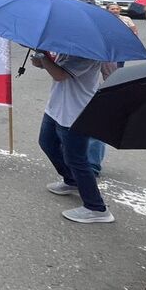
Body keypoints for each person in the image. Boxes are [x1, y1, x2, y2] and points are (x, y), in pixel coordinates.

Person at [33, 49, 114, 224]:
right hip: (56, 107)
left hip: (76, 112)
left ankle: (96, 208)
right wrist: (41, 61)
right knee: (47, 143)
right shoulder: (70, 47)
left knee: (76, 158)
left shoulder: (88, 53)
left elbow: (60, 75)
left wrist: (43, 56)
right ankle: (71, 180)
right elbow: (54, 68)